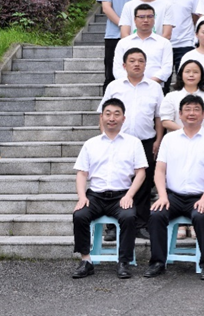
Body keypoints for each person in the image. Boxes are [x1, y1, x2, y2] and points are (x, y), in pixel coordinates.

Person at [144, 95, 204, 280]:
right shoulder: (169, 139)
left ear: (203, 114)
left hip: (201, 196)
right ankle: (157, 262)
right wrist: (162, 196)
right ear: (180, 114)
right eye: (187, 109)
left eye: (196, 109)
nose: (191, 113)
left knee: (201, 216)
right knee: (156, 215)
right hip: (173, 196)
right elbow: (159, 171)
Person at [71, 98, 147, 279]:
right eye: (108, 114)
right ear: (102, 117)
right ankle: (86, 260)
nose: (112, 118)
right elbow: (82, 173)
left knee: (128, 217)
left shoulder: (133, 143)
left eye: (116, 114)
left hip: (121, 195)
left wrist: (129, 195)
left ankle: (124, 262)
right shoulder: (91, 144)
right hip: (95, 196)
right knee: (79, 215)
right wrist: (82, 197)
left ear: (123, 118)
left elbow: (141, 173)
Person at [99, 48, 163, 238]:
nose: (137, 64)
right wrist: (104, 139)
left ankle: (141, 224)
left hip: (146, 141)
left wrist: (158, 140)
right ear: (124, 65)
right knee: (117, 182)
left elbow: (159, 117)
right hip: (118, 141)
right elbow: (103, 114)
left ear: (146, 65)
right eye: (132, 61)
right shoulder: (114, 86)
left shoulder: (154, 87)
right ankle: (113, 226)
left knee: (144, 184)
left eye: (141, 61)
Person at [157, 0, 200, 93]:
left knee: (185, 81)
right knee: (162, 82)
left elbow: (196, 16)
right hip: (162, 44)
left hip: (185, 43)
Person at [98, 0, 139, 89]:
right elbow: (106, 8)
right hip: (114, 35)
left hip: (139, 35)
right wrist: (124, 26)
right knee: (111, 75)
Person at [113, 4, 173, 85]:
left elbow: (167, 68)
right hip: (127, 86)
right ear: (134, 20)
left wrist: (148, 83)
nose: (146, 20)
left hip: (155, 87)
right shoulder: (123, 43)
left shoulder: (164, 43)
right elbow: (118, 69)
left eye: (150, 16)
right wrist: (132, 82)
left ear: (154, 19)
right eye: (141, 17)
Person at [160, 60, 204, 133]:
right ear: (181, 75)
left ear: (201, 76)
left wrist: (201, 134)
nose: (191, 75)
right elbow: (166, 121)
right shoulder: (170, 97)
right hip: (176, 137)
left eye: (195, 72)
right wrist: (186, 133)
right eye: (187, 72)